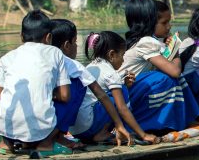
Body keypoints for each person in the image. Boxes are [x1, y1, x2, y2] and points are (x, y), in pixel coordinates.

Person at [0, 11, 74, 153]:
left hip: (6, 126)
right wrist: (50, 94)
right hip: (43, 126)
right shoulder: (55, 53)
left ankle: (6, 144)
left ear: (21, 36)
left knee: (0, 100)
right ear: (48, 37)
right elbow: (65, 96)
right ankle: (46, 144)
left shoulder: (6, 58)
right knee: (69, 99)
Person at [50, 19, 138, 147]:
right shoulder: (74, 66)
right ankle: (58, 135)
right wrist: (138, 132)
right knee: (79, 86)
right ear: (67, 45)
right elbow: (102, 95)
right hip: (79, 125)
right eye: (75, 42)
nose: (77, 46)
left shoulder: (41, 63)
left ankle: (57, 134)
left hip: (57, 124)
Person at [119, 0, 199, 133]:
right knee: (169, 77)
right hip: (127, 95)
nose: (169, 26)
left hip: (127, 93)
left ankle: (188, 119)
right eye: (164, 23)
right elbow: (174, 71)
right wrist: (175, 50)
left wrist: (169, 48)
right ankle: (180, 121)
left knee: (167, 75)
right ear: (149, 22)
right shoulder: (146, 42)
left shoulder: (139, 41)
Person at [76, 30, 157, 145]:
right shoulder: (110, 73)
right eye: (122, 55)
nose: (123, 60)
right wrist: (143, 135)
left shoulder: (90, 66)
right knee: (122, 92)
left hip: (77, 130)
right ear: (112, 55)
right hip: (89, 125)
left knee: (120, 90)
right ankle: (109, 132)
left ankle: (101, 132)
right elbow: (122, 108)